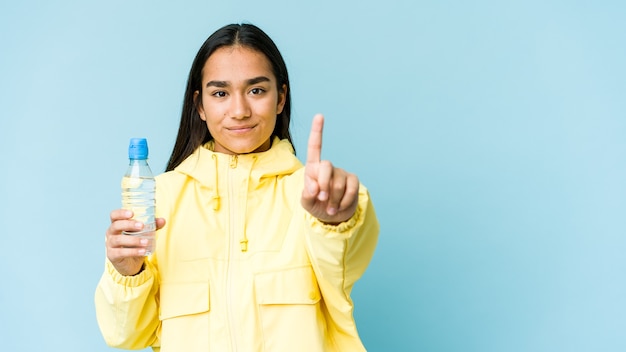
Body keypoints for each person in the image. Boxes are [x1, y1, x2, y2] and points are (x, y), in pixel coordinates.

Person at [95, 23, 379, 352]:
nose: (240, 111)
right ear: (200, 105)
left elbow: (347, 262)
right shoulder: (160, 199)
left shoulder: (314, 193)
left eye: (256, 90)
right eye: (220, 93)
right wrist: (128, 274)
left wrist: (336, 220)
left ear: (280, 98)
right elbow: (125, 336)